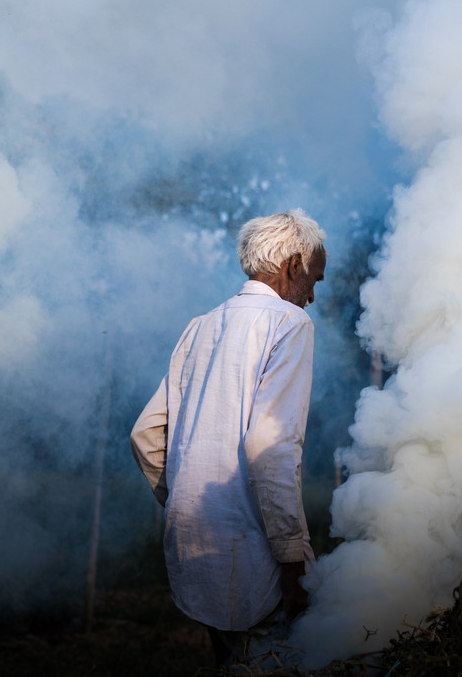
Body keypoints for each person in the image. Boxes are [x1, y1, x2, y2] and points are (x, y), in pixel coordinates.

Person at [130, 209, 327, 666]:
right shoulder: (290, 323)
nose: (313, 295)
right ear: (293, 266)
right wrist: (294, 564)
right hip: (255, 556)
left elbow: (144, 435)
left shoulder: (201, 325)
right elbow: (271, 447)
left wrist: (184, 497)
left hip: (191, 545)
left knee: (228, 661)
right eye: (315, 279)